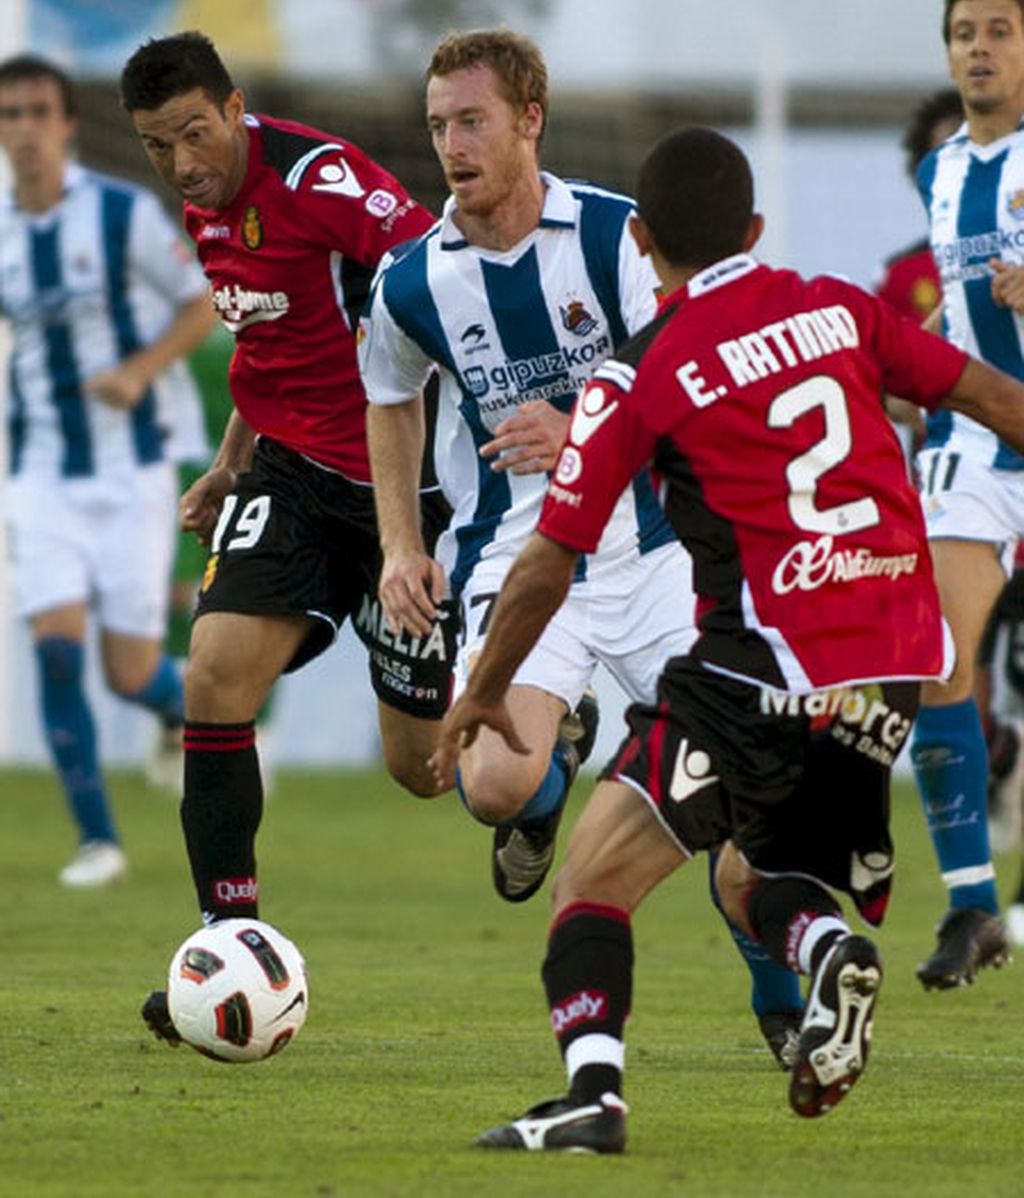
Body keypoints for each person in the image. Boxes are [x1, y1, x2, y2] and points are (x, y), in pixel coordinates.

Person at [431, 125, 1024, 1152]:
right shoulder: (840, 307)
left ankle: (593, 1097)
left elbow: (544, 562)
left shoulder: (639, 372)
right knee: (746, 871)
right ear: (754, 228)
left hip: (766, 662)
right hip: (891, 664)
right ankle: (827, 941)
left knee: (590, 877)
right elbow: (989, 396)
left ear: (643, 245)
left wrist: (484, 688)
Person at [358, 29, 805, 1064]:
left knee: (739, 807)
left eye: (471, 121)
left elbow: (695, 366)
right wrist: (395, 542)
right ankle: (549, 773)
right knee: (492, 784)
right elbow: (389, 398)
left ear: (529, 121)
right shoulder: (413, 281)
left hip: (656, 554)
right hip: (520, 561)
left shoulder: (615, 239)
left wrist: (588, 432)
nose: (451, 146)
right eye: (436, 127)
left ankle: (778, 1007)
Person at [117, 32, 456, 1039]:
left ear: (233, 108)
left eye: (191, 132)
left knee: (425, 770)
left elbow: (435, 267)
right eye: (154, 144)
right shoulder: (206, 205)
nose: (181, 161)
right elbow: (270, 341)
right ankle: (229, 946)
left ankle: (545, 757)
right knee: (213, 674)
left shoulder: (320, 177)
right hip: (293, 479)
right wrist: (229, 463)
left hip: (406, 490)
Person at [0, 53, 215, 887]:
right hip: (41, 472)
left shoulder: (122, 215)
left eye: (34, 113)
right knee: (57, 654)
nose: (21, 131)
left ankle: (199, 716)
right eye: (8, 115)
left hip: (131, 470)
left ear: (65, 123)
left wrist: (136, 371)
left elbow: (202, 302)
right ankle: (99, 842)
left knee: (127, 672)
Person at [908, 0, 1024, 990]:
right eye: (963, 32)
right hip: (981, 448)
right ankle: (970, 906)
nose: (978, 48)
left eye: (999, 29)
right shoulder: (938, 171)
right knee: (933, 659)